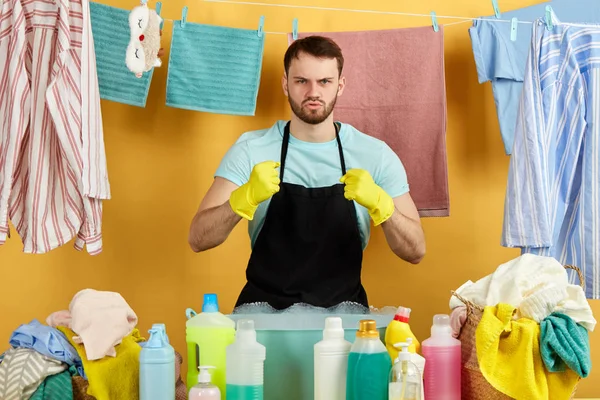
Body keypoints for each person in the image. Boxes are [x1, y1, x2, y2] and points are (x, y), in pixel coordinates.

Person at [188, 36, 425, 310]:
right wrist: (243, 199)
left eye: (325, 81)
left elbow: (416, 250)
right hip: (263, 322)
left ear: (341, 85)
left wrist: (382, 206)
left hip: (344, 323)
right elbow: (198, 239)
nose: (314, 92)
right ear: (285, 84)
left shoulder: (375, 154)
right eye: (302, 81)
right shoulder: (251, 149)